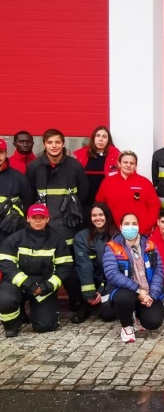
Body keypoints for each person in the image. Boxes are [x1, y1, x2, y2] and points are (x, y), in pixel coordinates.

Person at [26, 128, 89, 323]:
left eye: (58, 142)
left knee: (69, 270)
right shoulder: (35, 167)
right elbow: (29, 198)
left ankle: (78, 305)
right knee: (43, 268)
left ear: (63, 144)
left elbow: (84, 194)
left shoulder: (74, 167)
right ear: (44, 144)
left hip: (69, 229)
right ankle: (45, 304)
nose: (54, 146)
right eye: (50, 142)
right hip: (43, 229)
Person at [0, 204, 73, 337]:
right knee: (5, 299)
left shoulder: (57, 240)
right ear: (28, 219)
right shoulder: (14, 239)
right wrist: (28, 284)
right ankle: (12, 324)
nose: (38, 221)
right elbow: (7, 266)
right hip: (17, 282)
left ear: (47, 219)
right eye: (34, 217)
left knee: (44, 326)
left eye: (42, 217)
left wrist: (47, 286)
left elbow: (65, 268)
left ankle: (49, 315)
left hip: (42, 286)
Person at [102, 213, 164, 343]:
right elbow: (112, 274)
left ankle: (138, 316)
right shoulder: (112, 247)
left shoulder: (150, 245)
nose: (130, 227)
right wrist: (138, 290)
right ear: (120, 227)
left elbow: (159, 271)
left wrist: (151, 295)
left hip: (148, 292)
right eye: (126, 224)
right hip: (126, 291)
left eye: (134, 224)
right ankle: (127, 326)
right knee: (124, 297)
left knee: (153, 322)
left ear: (138, 226)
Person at [73, 202, 119, 322]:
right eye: (94, 215)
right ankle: (83, 307)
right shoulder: (81, 237)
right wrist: (89, 293)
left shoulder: (117, 236)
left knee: (107, 315)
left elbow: (118, 269)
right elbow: (84, 265)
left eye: (101, 214)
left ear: (107, 216)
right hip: (90, 278)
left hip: (111, 281)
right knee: (72, 274)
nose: (97, 218)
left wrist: (102, 290)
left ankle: (104, 301)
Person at [96, 150, 160, 235]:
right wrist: (107, 227)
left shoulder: (145, 183)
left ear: (136, 166)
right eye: (125, 162)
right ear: (119, 164)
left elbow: (154, 207)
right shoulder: (107, 182)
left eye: (132, 163)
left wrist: (144, 227)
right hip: (113, 232)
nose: (128, 165)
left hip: (139, 232)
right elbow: (99, 207)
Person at [73, 126, 121, 221]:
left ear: (108, 139)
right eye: (98, 135)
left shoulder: (117, 156)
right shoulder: (81, 155)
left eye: (104, 136)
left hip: (106, 203)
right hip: (84, 202)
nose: (100, 139)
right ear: (93, 138)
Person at [0, 138, 30, 247]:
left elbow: (28, 204)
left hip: (10, 237)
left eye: (1, 152)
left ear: (6, 153)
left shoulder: (19, 179)